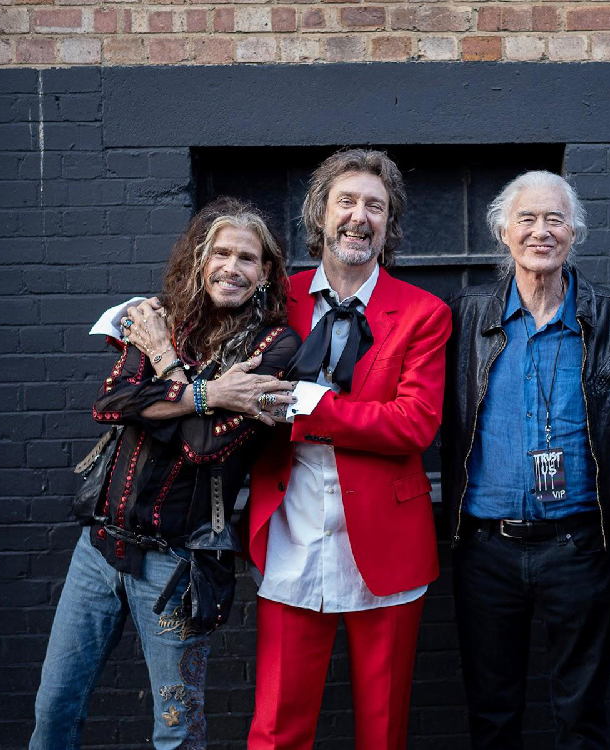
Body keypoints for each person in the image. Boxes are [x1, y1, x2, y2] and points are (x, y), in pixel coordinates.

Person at [30, 198, 300, 749]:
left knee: (176, 731)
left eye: (247, 258)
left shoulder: (275, 349)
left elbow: (204, 446)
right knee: (55, 706)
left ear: (266, 272)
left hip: (177, 567)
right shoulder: (161, 318)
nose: (232, 267)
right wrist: (210, 393)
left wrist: (169, 371)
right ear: (201, 260)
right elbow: (114, 402)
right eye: (220, 252)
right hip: (99, 550)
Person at [242, 149, 451, 750]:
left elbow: (413, 424)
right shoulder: (276, 297)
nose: (360, 217)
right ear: (321, 214)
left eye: (375, 206)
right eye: (347, 202)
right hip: (291, 532)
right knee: (277, 726)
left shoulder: (423, 314)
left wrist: (310, 406)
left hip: (387, 541)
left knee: (382, 731)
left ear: (389, 223)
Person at [440, 170, 610, 749]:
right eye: (527, 219)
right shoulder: (463, 320)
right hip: (485, 551)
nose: (541, 231)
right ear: (503, 232)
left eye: (555, 218)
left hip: (580, 547)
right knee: (492, 715)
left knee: (582, 717)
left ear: (575, 232)